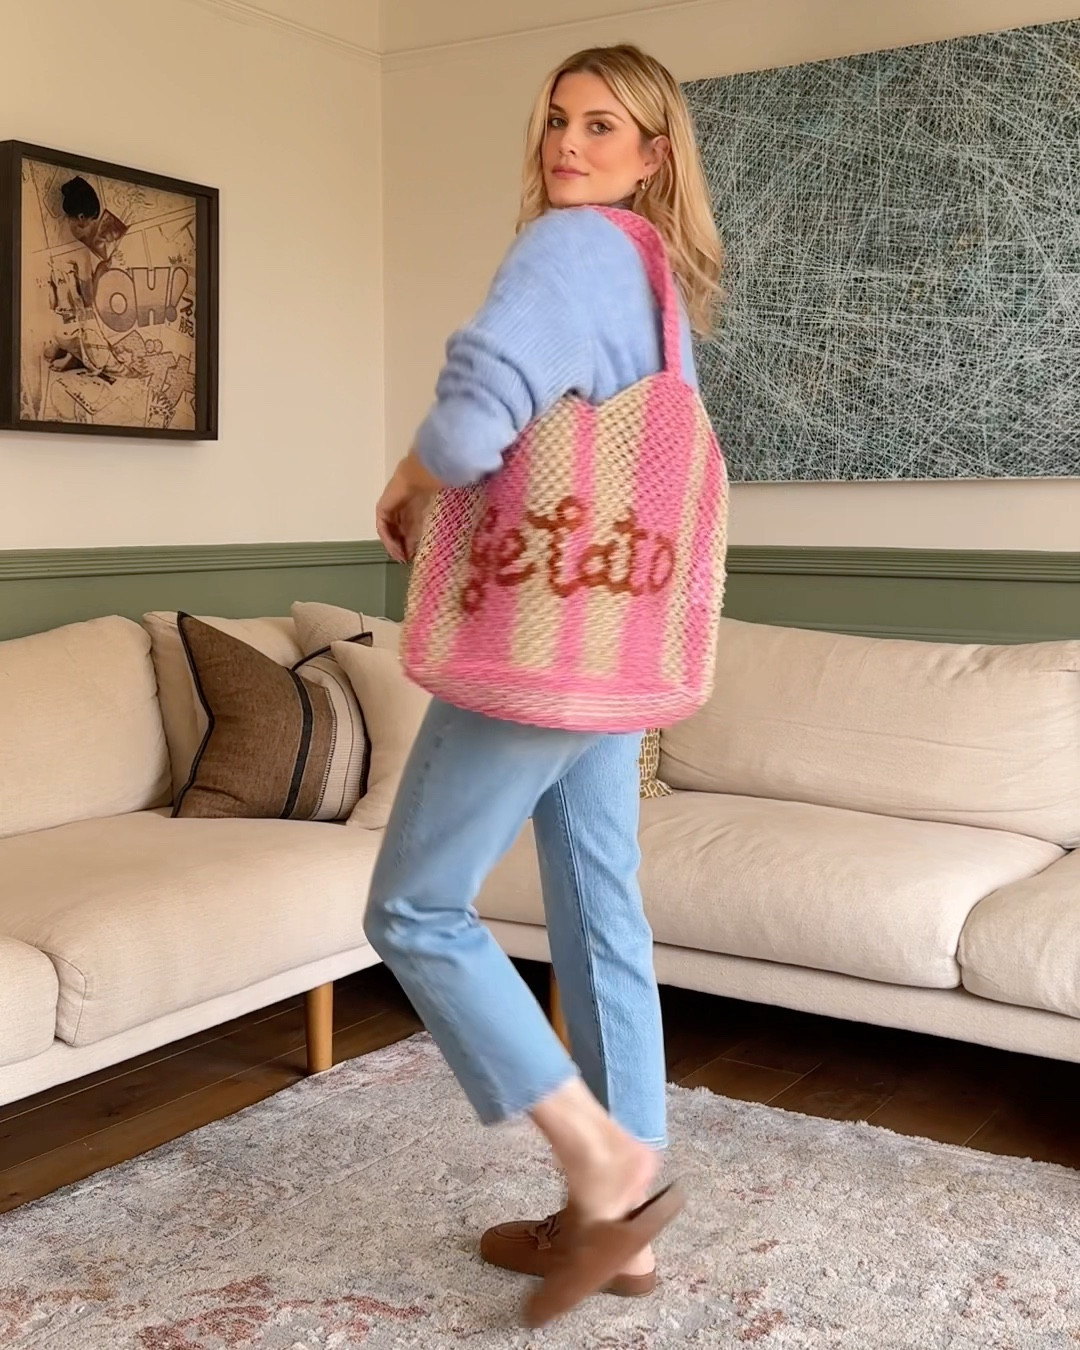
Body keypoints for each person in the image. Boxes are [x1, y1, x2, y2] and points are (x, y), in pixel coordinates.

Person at [367, 43, 723, 1327]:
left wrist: (414, 473)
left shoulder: (570, 250)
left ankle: (604, 1164)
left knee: (414, 908)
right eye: (559, 121)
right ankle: (618, 1236)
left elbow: (473, 431)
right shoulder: (660, 286)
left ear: (652, 152)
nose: (570, 145)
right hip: (616, 646)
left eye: (604, 125)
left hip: (532, 641)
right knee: (599, 911)